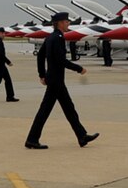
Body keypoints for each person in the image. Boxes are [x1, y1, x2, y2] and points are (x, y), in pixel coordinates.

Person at [25, 12, 98, 150]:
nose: (68, 24)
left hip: (53, 79)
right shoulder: (58, 38)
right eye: (66, 22)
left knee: (68, 108)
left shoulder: (50, 37)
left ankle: (82, 136)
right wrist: (78, 68)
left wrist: (42, 74)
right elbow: (60, 60)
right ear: (59, 23)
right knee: (47, 110)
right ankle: (32, 139)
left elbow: (40, 56)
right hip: (56, 81)